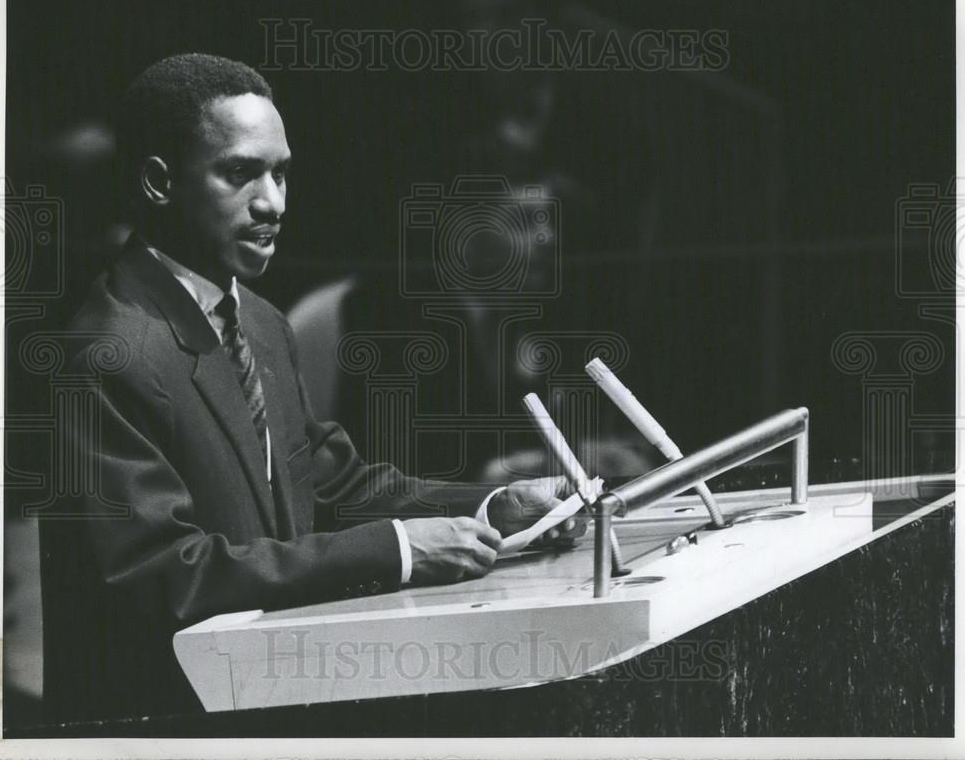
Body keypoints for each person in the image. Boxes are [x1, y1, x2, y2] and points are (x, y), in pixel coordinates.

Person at [41, 53, 581, 722]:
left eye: (281, 172)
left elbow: (334, 485)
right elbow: (166, 574)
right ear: (158, 182)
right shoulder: (105, 349)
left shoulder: (261, 323)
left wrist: (492, 505)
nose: (272, 202)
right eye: (239, 173)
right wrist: (402, 549)